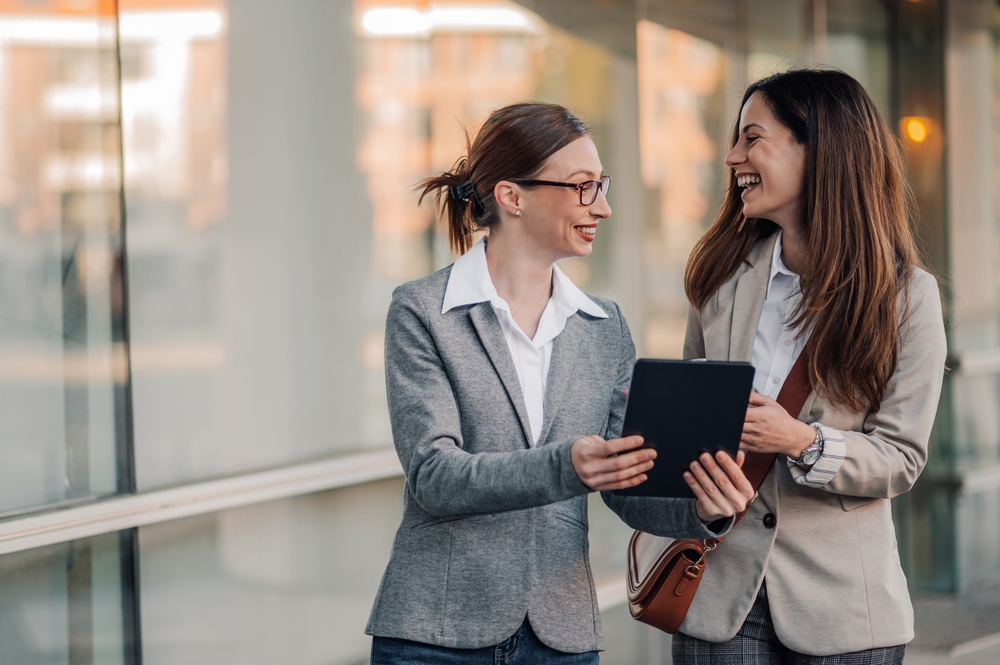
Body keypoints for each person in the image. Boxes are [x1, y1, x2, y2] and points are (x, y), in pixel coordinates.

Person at [365, 101, 757, 664]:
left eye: (602, 186)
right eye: (582, 188)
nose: (604, 206)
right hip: (436, 633)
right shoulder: (424, 310)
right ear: (512, 197)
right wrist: (566, 464)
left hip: (560, 638)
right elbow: (434, 475)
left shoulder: (605, 327)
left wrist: (704, 510)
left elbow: (629, 484)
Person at [657, 69, 945, 663]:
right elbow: (690, 437)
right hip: (717, 606)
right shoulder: (719, 282)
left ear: (819, 148)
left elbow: (902, 458)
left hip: (844, 616)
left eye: (752, 138)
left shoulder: (907, 296)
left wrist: (802, 441)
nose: (734, 156)